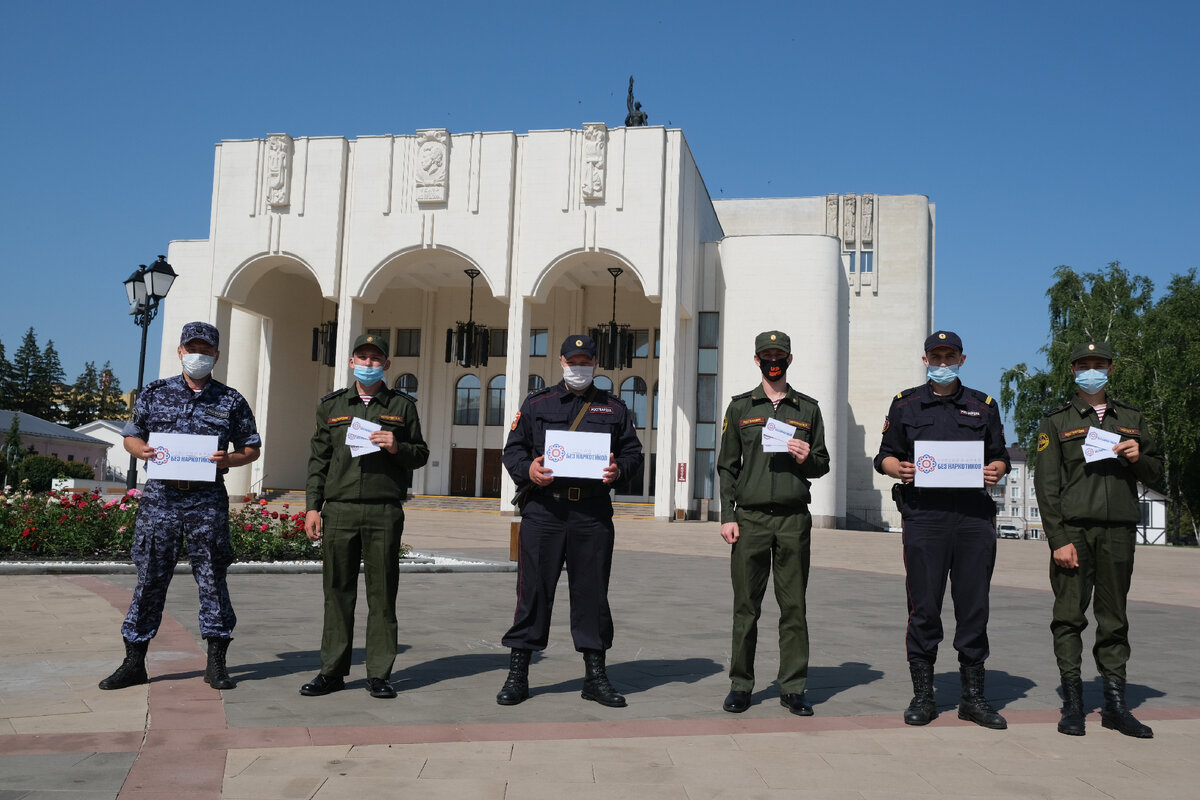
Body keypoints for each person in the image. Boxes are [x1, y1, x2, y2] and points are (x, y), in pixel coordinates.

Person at [99, 321, 261, 692]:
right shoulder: (155, 393)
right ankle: (134, 661)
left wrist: (229, 460)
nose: (198, 355)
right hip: (162, 499)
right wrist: (140, 450)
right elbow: (131, 435)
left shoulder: (230, 400)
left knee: (212, 579)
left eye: (206, 350)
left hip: (206, 501)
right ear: (180, 351)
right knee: (151, 577)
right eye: (192, 349)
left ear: (216, 355)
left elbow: (251, 446)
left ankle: (216, 663)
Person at [495, 334, 643, 707]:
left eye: (586, 361)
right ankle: (518, 674)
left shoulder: (614, 408)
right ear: (561, 362)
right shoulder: (536, 403)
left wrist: (618, 470)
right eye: (573, 360)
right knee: (533, 593)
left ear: (595, 364)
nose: (580, 366)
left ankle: (595, 676)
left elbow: (632, 453)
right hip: (544, 511)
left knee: (592, 595)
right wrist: (528, 469)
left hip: (591, 514)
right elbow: (513, 450)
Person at [874, 330, 1010, 729]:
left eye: (950, 355)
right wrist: (894, 468)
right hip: (925, 519)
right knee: (924, 607)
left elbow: (1000, 457)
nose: (943, 362)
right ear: (925, 360)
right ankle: (923, 695)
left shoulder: (982, 406)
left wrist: (996, 471)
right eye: (937, 355)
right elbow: (885, 454)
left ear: (962, 360)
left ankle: (973, 698)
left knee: (974, 608)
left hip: (972, 519)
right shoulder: (906, 403)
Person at [1034, 341, 1163, 738]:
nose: (1093, 370)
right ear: (1073, 372)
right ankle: (1073, 704)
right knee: (1069, 617)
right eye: (1085, 365)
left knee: (1114, 620)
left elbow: (1157, 475)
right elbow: (1047, 485)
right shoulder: (1056, 422)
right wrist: (1058, 538)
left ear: (1110, 369)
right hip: (1074, 530)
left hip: (1119, 532)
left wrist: (1138, 456)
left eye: (1100, 364)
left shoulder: (1133, 418)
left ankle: (1116, 706)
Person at [300, 333, 429, 699]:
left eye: (375, 359)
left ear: (386, 365)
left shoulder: (402, 406)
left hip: (383, 510)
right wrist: (313, 506)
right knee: (337, 592)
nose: (368, 364)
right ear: (351, 361)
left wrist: (397, 446)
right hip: (339, 510)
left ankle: (379, 673)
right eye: (362, 357)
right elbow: (319, 460)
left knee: (382, 594)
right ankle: (332, 671)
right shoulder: (332, 406)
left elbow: (420, 453)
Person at [716, 330, 830, 716]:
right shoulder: (740, 408)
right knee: (746, 607)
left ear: (790, 359)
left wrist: (804, 456)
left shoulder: (807, 409)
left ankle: (793, 687)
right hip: (749, 520)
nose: (773, 360)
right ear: (756, 360)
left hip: (793, 519)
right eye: (766, 355)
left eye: (779, 354)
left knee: (793, 606)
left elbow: (822, 463)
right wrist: (727, 516)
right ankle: (741, 684)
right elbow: (727, 466)